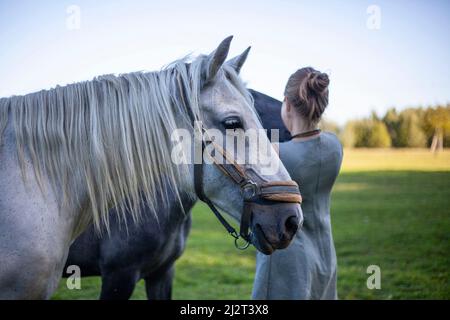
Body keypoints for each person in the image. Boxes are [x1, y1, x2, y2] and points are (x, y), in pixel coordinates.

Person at [252, 67, 343, 299]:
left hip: (287, 262)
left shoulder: (276, 156)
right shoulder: (335, 146)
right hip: (325, 255)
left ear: (287, 104)